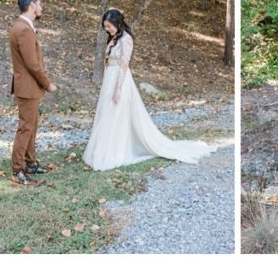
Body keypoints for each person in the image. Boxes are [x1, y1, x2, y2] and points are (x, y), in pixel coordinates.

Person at [83, 9, 212, 171]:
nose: (107, 29)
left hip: (120, 80)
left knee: (115, 113)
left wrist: (117, 89)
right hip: (110, 78)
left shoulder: (126, 39)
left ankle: (114, 150)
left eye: (109, 26)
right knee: (106, 112)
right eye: (105, 27)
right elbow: (108, 61)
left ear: (117, 23)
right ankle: (102, 148)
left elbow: (124, 65)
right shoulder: (114, 38)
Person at [9, 0, 57, 186]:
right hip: (27, 87)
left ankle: (30, 163)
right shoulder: (23, 30)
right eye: (40, 3)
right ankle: (18, 170)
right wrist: (48, 83)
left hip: (28, 87)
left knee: (31, 126)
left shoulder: (22, 27)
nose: (42, 6)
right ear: (31, 5)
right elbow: (32, 64)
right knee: (26, 128)